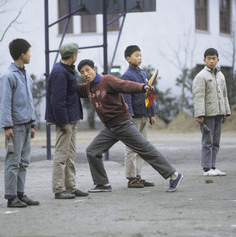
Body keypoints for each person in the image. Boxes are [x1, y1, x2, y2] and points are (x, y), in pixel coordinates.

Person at [77, 59, 183, 193]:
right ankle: (102, 183)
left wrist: (142, 87)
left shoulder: (107, 80)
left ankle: (173, 175)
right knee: (92, 152)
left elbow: (125, 85)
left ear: (95, 69)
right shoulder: (87, 88)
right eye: (82, 72)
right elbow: (72, 88)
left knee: (145, 150)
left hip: (123, 124)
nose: (85, 74)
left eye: (88, 70)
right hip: (110, 128)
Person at [0, 38, 39, 208]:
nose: (30, 55)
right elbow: (4, 103)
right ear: (22, 54)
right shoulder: (8, 76)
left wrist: (32, 123)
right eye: (29, 52)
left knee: (24, 161)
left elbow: (29, 101)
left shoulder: (25, 75)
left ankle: (20, 193)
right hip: (14, 127)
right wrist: (7, 126)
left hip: (26, 124)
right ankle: (11, 196)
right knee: (13, 162)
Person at [45, 43, 88, 199]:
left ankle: (70, 187)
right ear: (73, 56)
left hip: (71, 118)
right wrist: (62, 122)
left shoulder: (66, 70)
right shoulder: (60, 73)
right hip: (66, 121)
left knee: (70, 155)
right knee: (62, 155)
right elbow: (58, 100)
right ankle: (58, 189)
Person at [121, 45, 157, 188]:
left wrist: (151, 113)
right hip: (134, 117)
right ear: (128, 59)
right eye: (136, 55)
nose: (139, 58)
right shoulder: (127, 76)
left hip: (144, 116)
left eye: (140, 55)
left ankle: (138, 176)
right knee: (131, 148)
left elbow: (149, 95)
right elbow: (126, 98)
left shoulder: (142, 73)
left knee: (143, 147)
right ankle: (131, 178)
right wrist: (129, 115)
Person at [192, 48, 230, 176]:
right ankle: (207, 169)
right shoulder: (201, 76)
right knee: (207, 142)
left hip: (218, 113)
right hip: (207, 114)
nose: (212, 61)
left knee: (216, 142)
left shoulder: (221, 75)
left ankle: (213, 166)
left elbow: (224, 95)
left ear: (217, 60)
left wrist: (225, 112)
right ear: (204, 60)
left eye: (214, 58)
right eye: (209, 59)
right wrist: (200, 114)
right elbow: (198, 96)